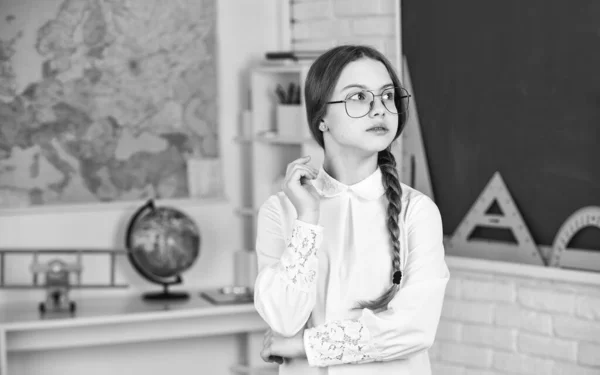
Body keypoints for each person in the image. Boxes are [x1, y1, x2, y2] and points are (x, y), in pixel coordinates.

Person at [253, 45, 450, 374]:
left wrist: (305, 346)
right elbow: (284, 318)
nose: (380, 109)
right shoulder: (281, 211)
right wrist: (307, 220)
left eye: (388, 96)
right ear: (322, 119)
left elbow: (413, 329)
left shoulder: (417, 212)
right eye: (358, 97)